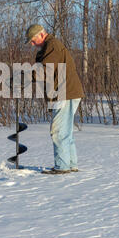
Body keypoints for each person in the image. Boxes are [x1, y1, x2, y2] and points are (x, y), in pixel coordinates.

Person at [25, 24, 84, 174]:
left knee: (58, 131)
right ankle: (71, 164)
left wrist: (24, 76)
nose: (32, 44)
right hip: (68, 91)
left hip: (63, 92)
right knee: (66, 131)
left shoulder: (52, 46)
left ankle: (62, 167)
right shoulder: (51, 46)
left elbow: (45, 71)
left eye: (32, 40)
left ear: (41, 35)